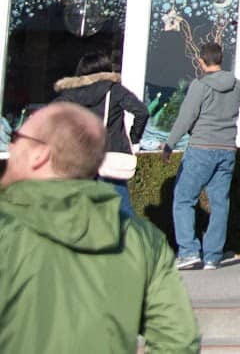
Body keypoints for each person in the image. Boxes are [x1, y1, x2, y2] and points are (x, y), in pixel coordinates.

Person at [0, 101, 200, 353]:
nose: (10, 145)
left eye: (17, 137)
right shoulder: (142, 240)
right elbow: (178, 341)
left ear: (40, 155)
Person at [163, 42, 240, 270]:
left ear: (201, 61)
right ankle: (213, 256)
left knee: (184, 199)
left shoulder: (199, 85)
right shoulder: (234, 84)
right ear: (221, 59)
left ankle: (188, 251)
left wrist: (169, 144)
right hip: (226, 151)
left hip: (201, 149)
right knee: (220, 203)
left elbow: (186, 117)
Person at [52, 52, 149, 218]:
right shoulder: (114, 90)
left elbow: (50, 116)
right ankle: (130, 242)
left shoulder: (70, 94)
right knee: (122, 210)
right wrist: (133, 138)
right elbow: (141, 112)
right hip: (110, 154)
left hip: (81, 157)